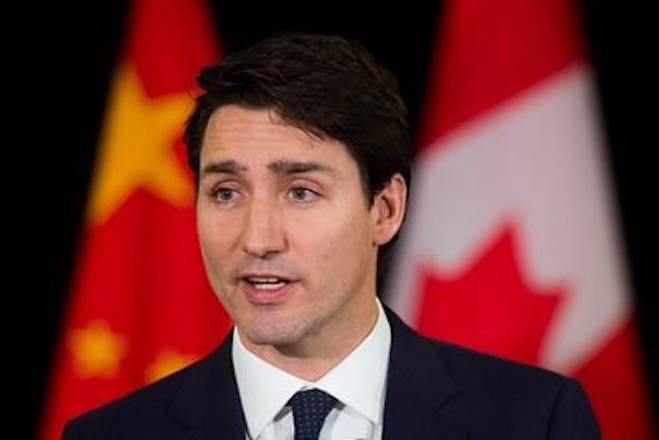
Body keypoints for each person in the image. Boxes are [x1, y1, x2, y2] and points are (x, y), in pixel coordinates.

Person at [62, 32, 600, 439]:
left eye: (300, 192)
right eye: (226, 192)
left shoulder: (534, 422)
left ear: (385, 209)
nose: (257, 239)